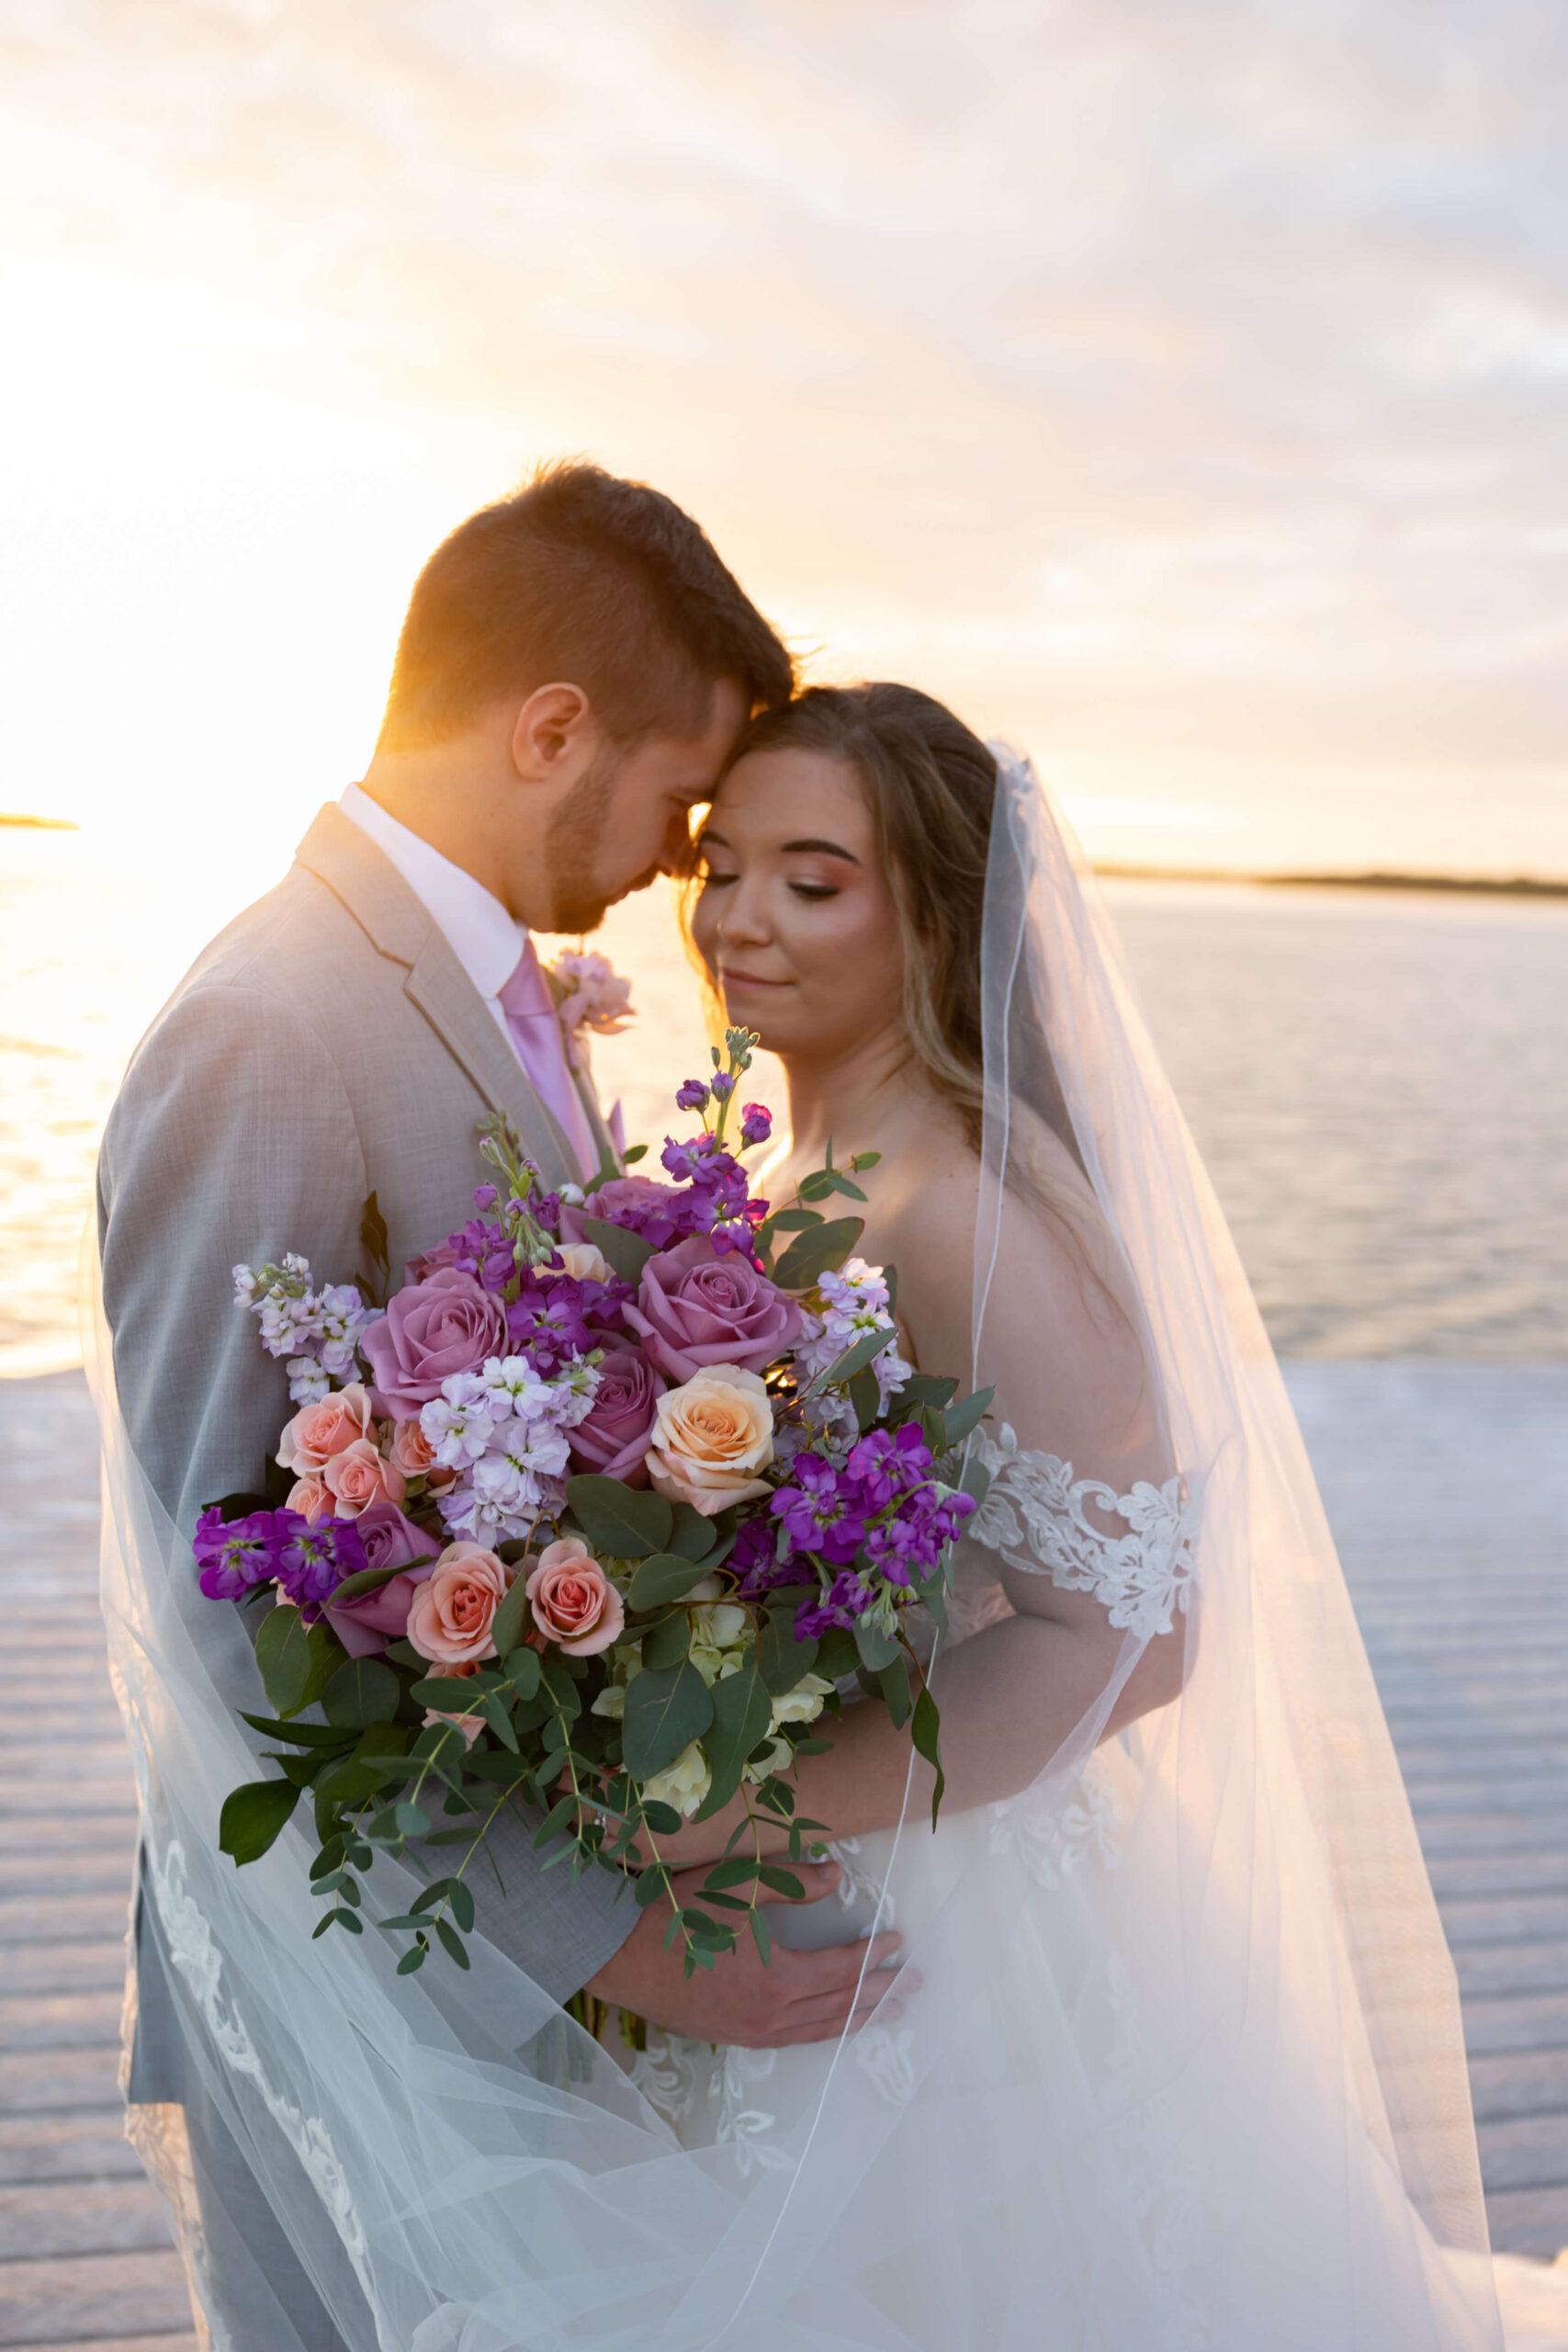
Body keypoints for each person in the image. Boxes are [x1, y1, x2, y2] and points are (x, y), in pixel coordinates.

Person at [93, 472, 904, 2352]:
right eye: (677, 797)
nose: (680, 854)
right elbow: (234, 1584)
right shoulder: (272, 1023)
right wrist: (597, 1936)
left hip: (497, 1933)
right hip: (357, 1972)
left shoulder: (498, 989)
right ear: (550, 729)